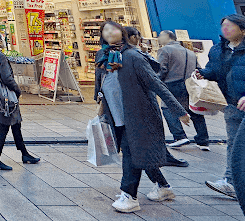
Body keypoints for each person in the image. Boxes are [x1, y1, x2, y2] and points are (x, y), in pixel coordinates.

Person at [95, 22, 190, 213]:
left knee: (131, 154)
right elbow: (102, 84)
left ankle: (129, 196)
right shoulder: (103, 56)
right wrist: (100, 108)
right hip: (116, 115)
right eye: (105, 30)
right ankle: (163, 187)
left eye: (113, 28)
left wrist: (179, 110)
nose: (109, 32)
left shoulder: (132, 56)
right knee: (137, 152)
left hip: (138, 114)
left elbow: (156, 84)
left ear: (121, 32)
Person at [197, 14, 245, 199]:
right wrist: (203, 74)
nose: (225, 29)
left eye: (230, 26)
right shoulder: (218, 50)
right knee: (234, 145)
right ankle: (231, 183)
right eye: (223, 25)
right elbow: (214, 71)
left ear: (242, 28)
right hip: (231, 106)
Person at [0, 31, 39, 170]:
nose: (3, 41)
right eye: (2, 39)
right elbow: (7, 78)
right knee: (4, 127)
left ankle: (24, 153)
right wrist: (17, 90)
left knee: (16, 125)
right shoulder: (0, 56)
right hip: (6, 98)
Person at [156, 30, 210, 150]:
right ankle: (203, 140)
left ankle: (179, 136)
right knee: (195, 110)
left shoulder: (164, 50)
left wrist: (156, 83)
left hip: (172, 84)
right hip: (189, 84)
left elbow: (162, 69)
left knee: (167, 108)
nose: (158, 38)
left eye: (160, 36)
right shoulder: (189, 52)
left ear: (167, 37)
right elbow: (198, 69)